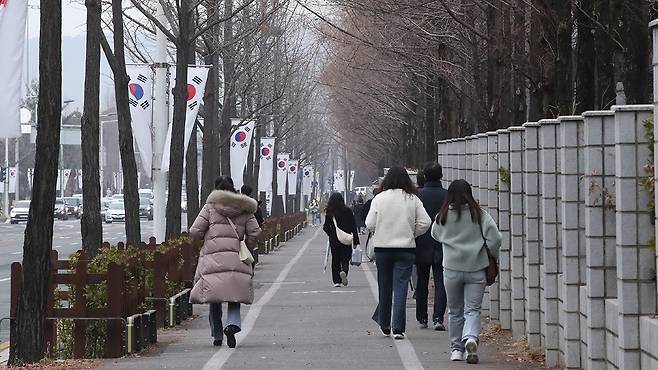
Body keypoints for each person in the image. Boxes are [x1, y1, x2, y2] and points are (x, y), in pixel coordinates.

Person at [431, 179, 501, 363]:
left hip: (451, 269)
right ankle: (470, 337)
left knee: (454, 311)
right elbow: (496, 238)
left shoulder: (442, 216)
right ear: (469, 194)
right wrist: (490, 255)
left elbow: (435, 234)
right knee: (472, 310)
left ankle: (456, 350)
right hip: (476, 269)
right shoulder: (480, 215)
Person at [189, 176, 262, 348]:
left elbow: (194, 231)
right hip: (237, 257)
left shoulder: (210, 207)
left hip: (213, 258)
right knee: (234, 294)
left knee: (215, 297)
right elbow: (255, 232)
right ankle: (232, 324)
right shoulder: (245, 208)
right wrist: (247, 247)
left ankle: (217, 334)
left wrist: (204, 238)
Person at [366, 167, 431, 340]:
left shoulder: (379, 198)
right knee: (401, 287)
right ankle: (398, 328)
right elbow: (426, 222)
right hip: (405, 249)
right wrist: (412, 232)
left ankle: (385, 324)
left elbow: (369, 223)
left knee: (384, 287)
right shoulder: (412, 199)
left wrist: (381, 231)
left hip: (382, 249)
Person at [415, 163, 448, 331]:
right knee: (441, 280)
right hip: (442, 243)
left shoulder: (418, 195)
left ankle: (422, 317)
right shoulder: (447, 195)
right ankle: (438, 318)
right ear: (441, 176)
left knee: (422, 280)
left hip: (421, 243)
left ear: (425, 177)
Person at [323, 192, 360, 287]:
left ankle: (337, 281)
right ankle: (344, 271)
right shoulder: (348, 210)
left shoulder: (330, 212)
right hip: (346, 238)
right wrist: (356, 241)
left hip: (334, 239)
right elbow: (353, 226)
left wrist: (331, 234)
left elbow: (325, 227)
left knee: (335, 259)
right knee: (345, 258)